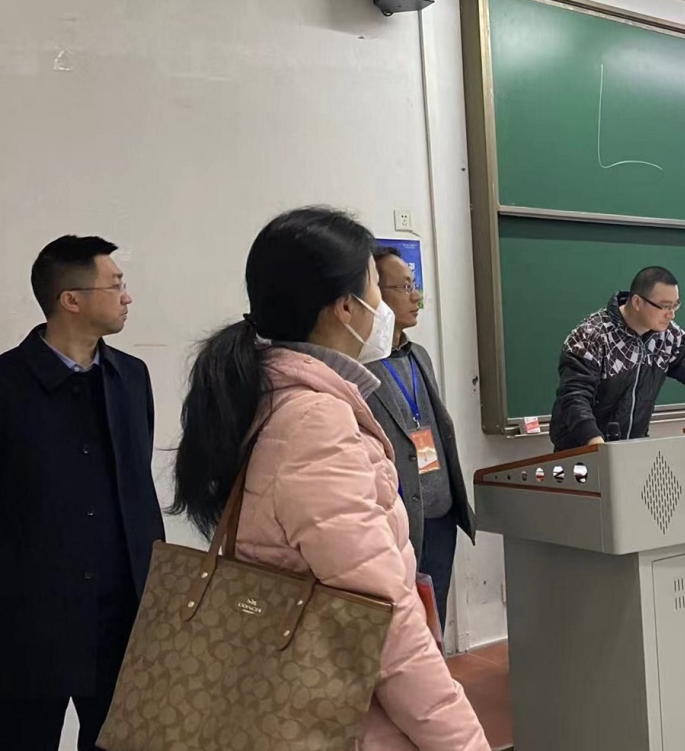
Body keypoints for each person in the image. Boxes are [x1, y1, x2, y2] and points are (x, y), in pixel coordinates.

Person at [170, 208, 489, 751]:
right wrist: (464, 743)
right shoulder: (315, 422)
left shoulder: (273, 396)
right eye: (376, 288)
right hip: (345, 713)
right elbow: (385, 624)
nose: (385, 307)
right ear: (345, 308)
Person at [0, 236, 163, 751]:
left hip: (124, 621)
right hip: (29, 626)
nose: (127, 296)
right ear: (71, 299)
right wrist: (9, 579)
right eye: (115, 285)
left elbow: (135, 487)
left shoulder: (131, 378)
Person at [364, 247, 475, 628]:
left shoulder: (419, 356)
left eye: (415, 285)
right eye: (406, 287)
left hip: (440, 516)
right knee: (400, 627)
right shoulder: (360, 367)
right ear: (375, 295)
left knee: (433, 619)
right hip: (397, 523)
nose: (417, 297)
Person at [550, 266, 685, 452]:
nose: (671, 314)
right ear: (637, 302)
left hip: (635, 449)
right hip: (581, 453)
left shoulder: (669, 337)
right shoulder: (592, 336)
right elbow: (574, 396)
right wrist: (597, 445)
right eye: (664, 306)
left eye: (675, 305)